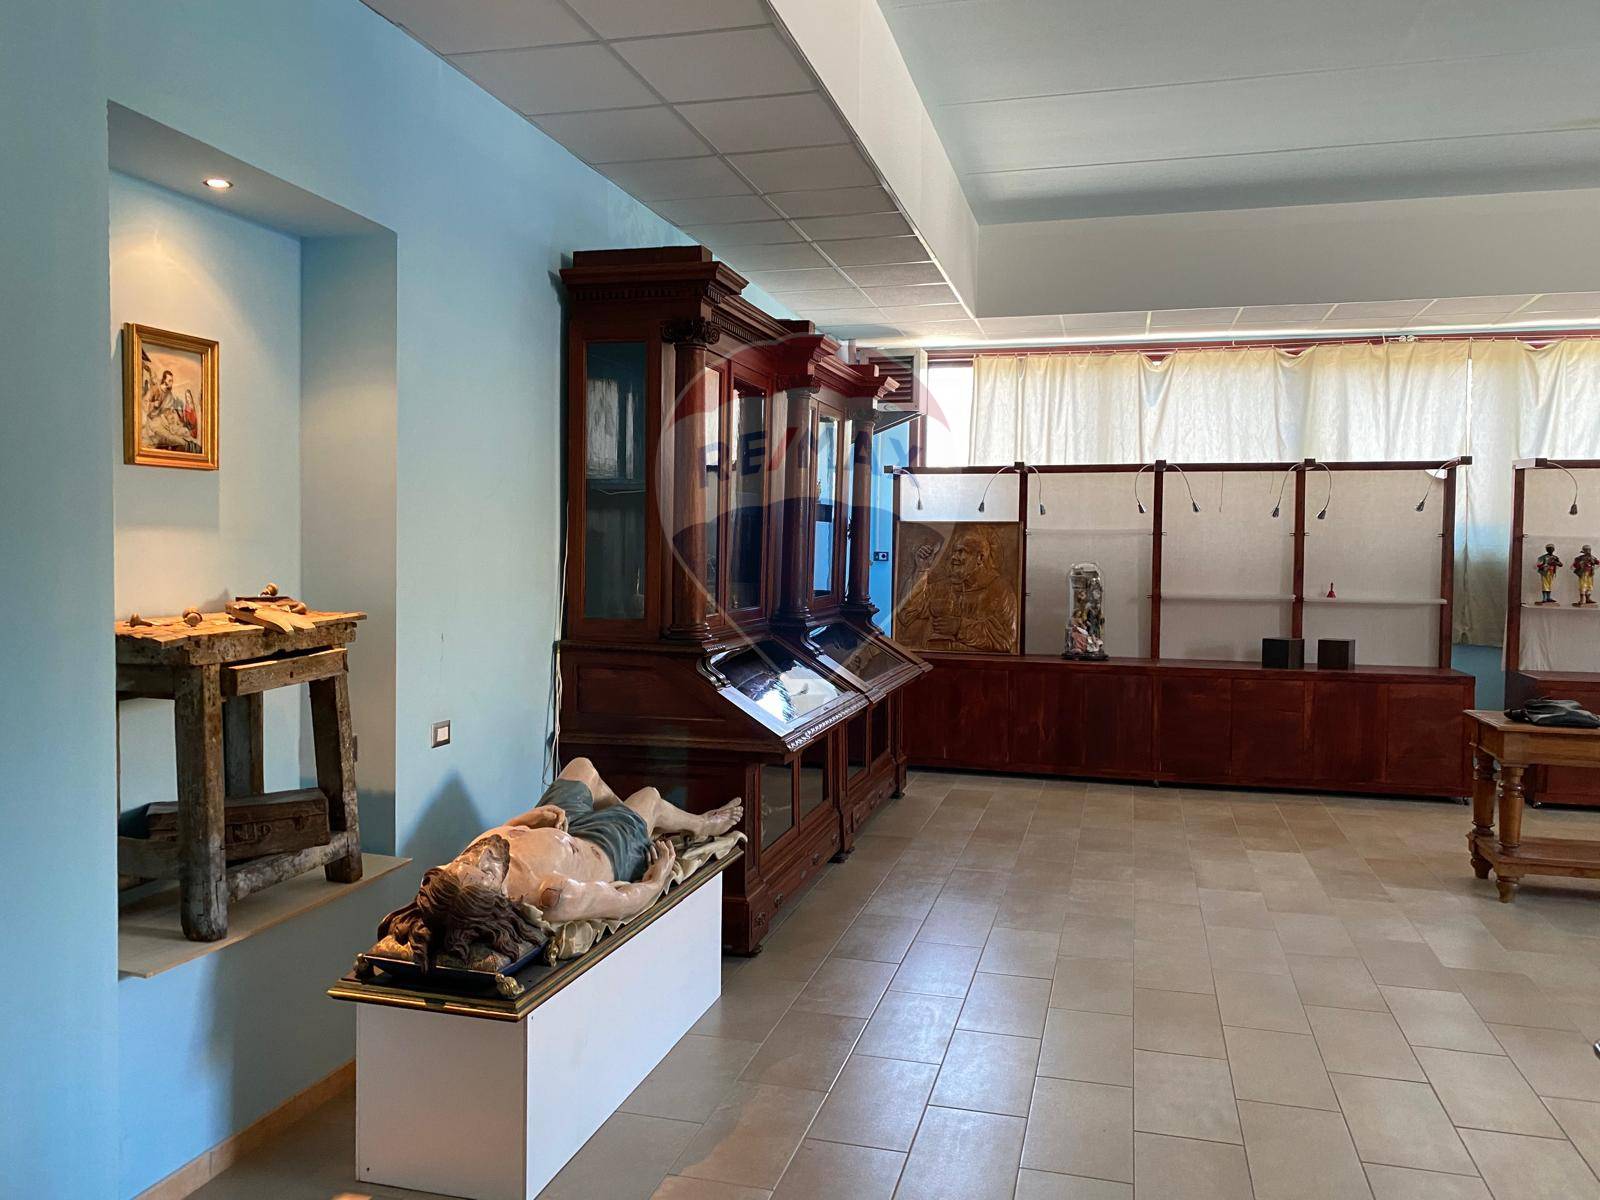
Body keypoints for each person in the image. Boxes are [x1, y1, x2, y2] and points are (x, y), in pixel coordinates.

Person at [375, 759, 742, 973]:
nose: (480, 855)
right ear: (494, 898)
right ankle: (698, 825)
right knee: (650, 798)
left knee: (582, 768)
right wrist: (657, 878)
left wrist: (527, 821)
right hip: (602, 850)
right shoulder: (552, 895)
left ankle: (632, 818)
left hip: (555, 823)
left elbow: (499, 837)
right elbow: (624, 902)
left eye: (466, 860)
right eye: (484, 870)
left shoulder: (459, 877)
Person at [900, 529, 1019, 652]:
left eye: (961, 552)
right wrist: (921, 569)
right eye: (954, 552)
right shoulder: (942, 587)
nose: (954, 557)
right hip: (936, 658)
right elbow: (907, 614)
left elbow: (1005, 638)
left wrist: (959, 627)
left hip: (979, 662)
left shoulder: (1000, 590)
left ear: (979, 557)